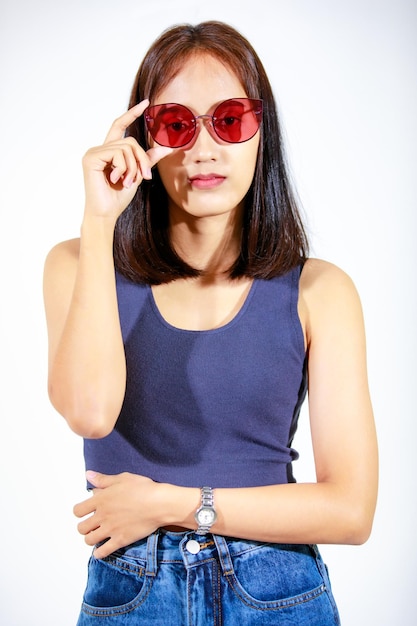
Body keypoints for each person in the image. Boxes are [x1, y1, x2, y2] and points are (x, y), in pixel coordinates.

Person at [43, 20, 378, 626]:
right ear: (144, 138)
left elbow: (351, 511)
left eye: (230, 120)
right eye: (175, 123)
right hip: (133, 593)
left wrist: (170, 504)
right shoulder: (77, 264)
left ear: (260, 133)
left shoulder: (320, 292)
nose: (203, 149)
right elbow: (90, 413)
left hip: (278, 592)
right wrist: (99, 223)